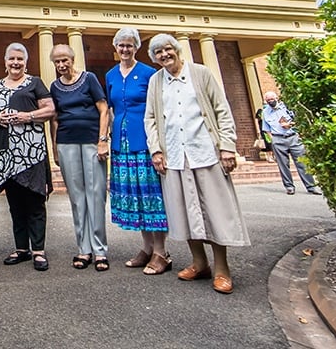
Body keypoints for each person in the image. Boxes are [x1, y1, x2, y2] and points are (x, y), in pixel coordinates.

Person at [145, 33, 250, 294]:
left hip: (205, 152)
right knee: (184, 211)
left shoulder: (201, 74)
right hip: (175, 157)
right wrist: (156, 150)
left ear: (177, 50)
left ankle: (222, 268)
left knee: (213, 210)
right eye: (158, 52)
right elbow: (151, 119)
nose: (164, 55)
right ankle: (199, 263)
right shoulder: (156, 81)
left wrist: (227, 146)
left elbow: (221, 110)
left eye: (167, 49)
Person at [105, 28, 170, 275]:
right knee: (137, 197)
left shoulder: (149, 73)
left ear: (137, 47)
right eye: (121, 45)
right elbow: (110, 108)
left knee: (152, 197)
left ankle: (161, 252)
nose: (125, 49)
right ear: (116, 47)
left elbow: (157, 108)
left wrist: (159, 146)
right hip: (121, 145)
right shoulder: (111, 75)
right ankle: (146, 248)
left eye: (129, 45)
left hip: (145, 142)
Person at [0, 43, 55, 271]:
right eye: (11, 59)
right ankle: (21, 249)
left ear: (25, 62)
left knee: (35, 201)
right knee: (15, 203)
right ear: (5, 61)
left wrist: (27, 116)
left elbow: (49, 109)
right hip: (6, 152)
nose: (15, 63)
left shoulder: (34, 83)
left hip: (31, 152)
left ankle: (38, 250)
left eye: (20, 59)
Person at [49, 44, 110, 272]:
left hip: (92, 141)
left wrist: (103, 139)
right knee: (77, 196)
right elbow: (54, 118)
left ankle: (100, 250)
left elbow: (103, 109)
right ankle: (84, 249)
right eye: (57, 62)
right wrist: (54, 148)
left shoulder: (89, 79)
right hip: (66, 142)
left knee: (96, 193)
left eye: (65, 60)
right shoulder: (54, 87)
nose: (61, 65)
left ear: (73, 60)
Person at [260, 91, 321, 195]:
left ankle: (311, 186)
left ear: (277, 98)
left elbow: (298, 120)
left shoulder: (286, 107)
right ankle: (289, 187)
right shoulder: (265, 112)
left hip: (293, 137)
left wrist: (290, 125)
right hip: (278, 139)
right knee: (283, 165)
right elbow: (266, 128)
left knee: (302, 162)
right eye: (268, 100)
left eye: (272, 99)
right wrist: (273, 139)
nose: (270, 101)